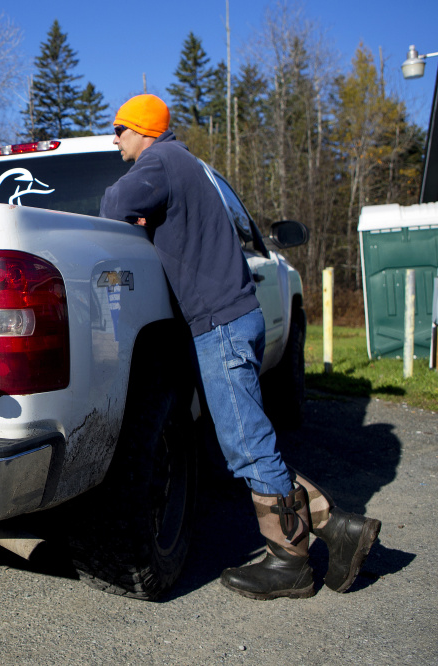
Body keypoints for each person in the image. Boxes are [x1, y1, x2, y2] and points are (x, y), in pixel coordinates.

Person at [99, 94, 381, 600]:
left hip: (221, 325)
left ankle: (289, 562)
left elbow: (113, 206)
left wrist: (134, 220)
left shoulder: (160, 160)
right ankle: (339, 528)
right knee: (247, 443)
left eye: (118, 129)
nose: (114, 138)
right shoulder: (189, 165)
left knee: (248, 448)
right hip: (233, 317)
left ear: (138, 128)